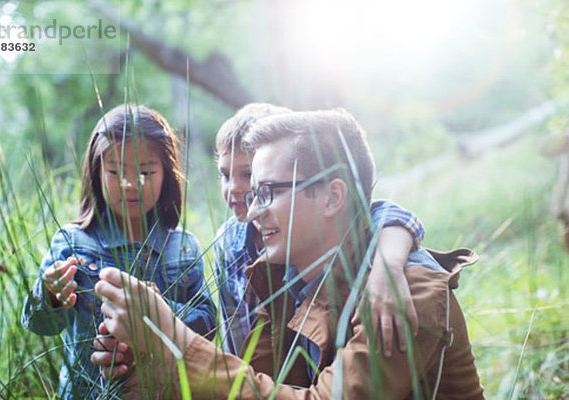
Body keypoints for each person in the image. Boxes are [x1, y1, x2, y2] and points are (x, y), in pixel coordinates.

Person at [92, 109, 484, 398]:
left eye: (267, 192)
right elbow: (256, 384)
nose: (253, 209)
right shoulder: (284, 275)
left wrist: (176, 341)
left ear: (332, 196)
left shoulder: (407, 292)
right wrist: (148, 363)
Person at [21, 104, 216, 399]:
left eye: (146, 171)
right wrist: (50, 295)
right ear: (97, 172)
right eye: (115, 171)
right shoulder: (73, 242)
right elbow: (40, 325)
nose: (130, 185)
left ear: (167, 173)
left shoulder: (183, 248)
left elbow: (208, 326)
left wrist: (158, 312)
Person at [214, 103, 425, 357]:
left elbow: (385, 214)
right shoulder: (229, 242)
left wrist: (387, 266)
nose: (236, 188)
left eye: (249, 175)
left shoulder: (329, 237)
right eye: (225, 175)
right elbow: (233, 329)